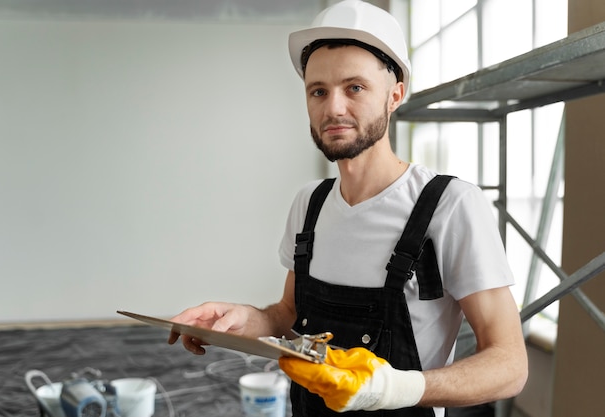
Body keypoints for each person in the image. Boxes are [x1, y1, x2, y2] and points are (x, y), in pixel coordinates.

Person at [167, 1, 528, 416]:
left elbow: (510, 366)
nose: (333, 108)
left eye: (354, 88)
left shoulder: (449, 205)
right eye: (318, 91)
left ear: (395, 95)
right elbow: (289, 316)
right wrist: (240, 320)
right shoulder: (311, 203)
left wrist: (392, 388)